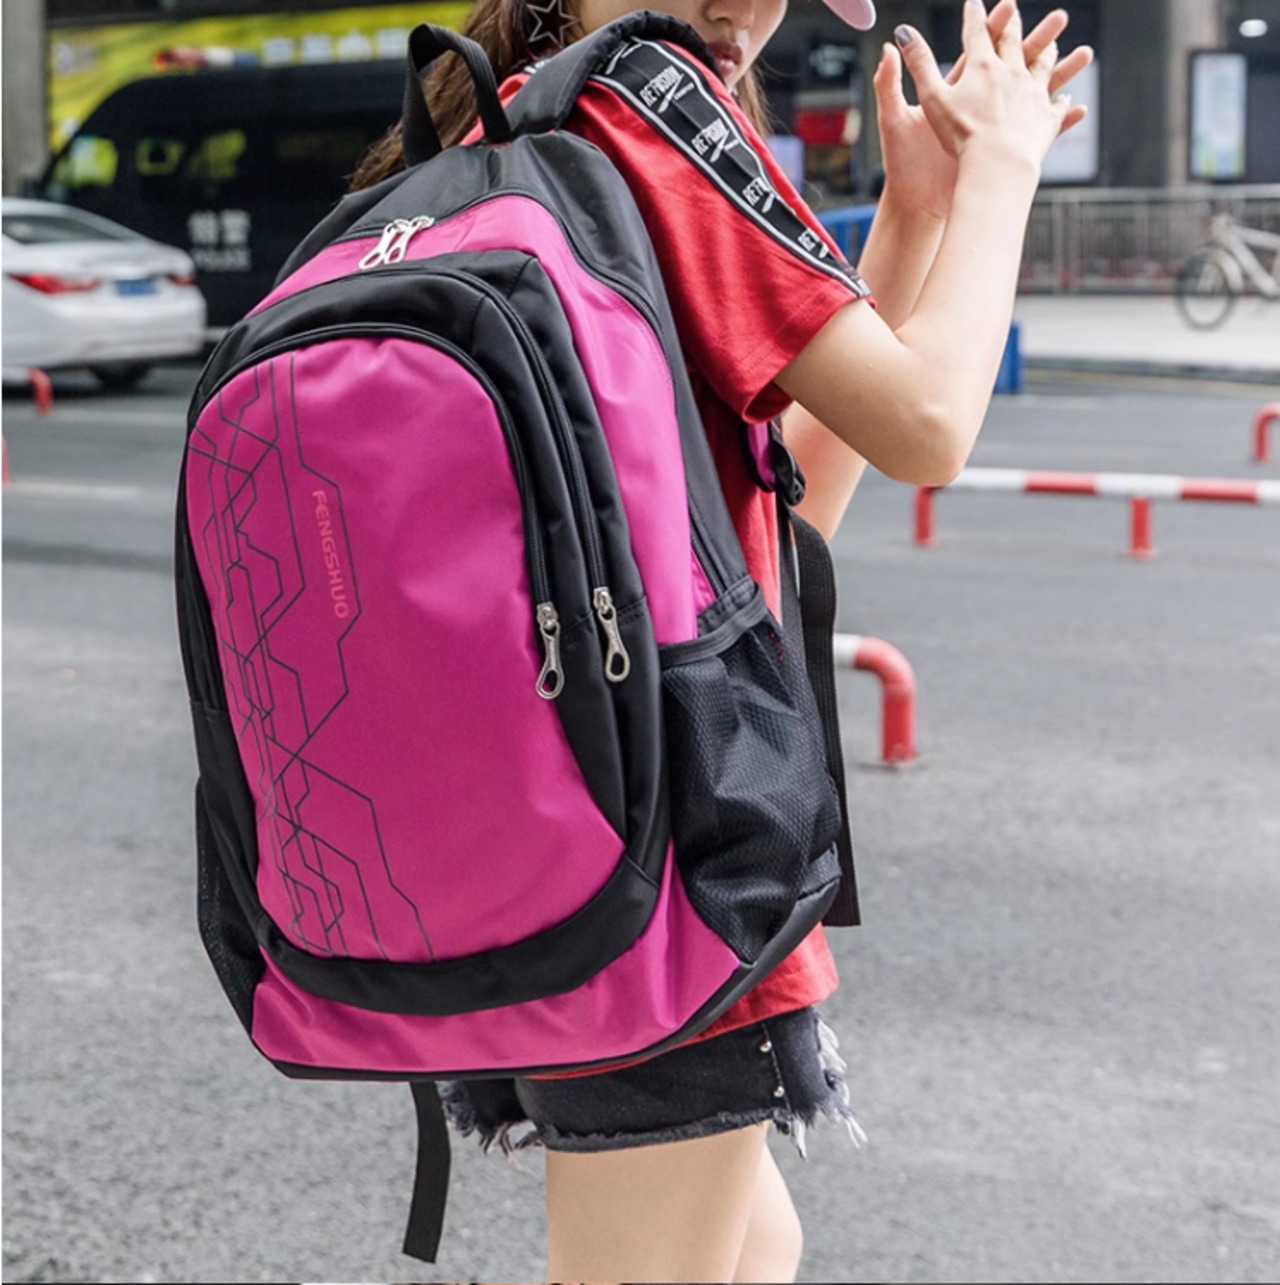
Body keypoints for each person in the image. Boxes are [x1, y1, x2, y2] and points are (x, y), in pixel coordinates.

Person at [351, 1, 1092, 1281]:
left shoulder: (495, 128)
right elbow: (928, 424)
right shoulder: (652, 103)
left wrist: (913, 216)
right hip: (671, 867)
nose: (747, 7)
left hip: (535, 846)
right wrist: (1005, 162)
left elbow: (776, 529)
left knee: (755, 1248)